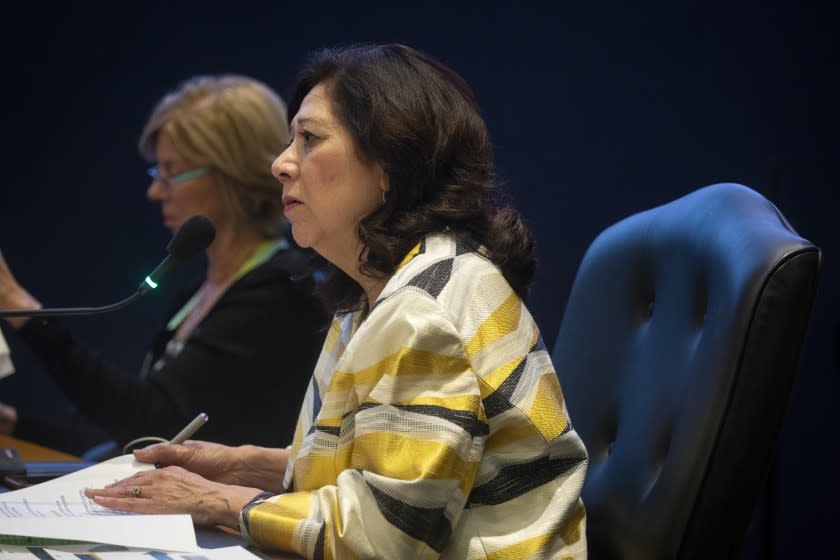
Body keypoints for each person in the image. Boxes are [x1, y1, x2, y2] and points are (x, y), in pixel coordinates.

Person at [85, 44, 588, 559]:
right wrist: (241, 464)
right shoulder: (382, 294)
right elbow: (380, 471)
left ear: (390, 163)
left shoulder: (424, 310)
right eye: (289, 141)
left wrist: (218, 500)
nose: (281, 164)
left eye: (309, 140)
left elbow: (385, 537)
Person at [0, 75, 327, 453]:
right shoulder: (197, 294)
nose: (154, 191)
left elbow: (154, 423)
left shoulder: (280, 289)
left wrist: (18, 305)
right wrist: (15, 424)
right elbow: (132, 443)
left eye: (172, 172)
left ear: (232, 173)